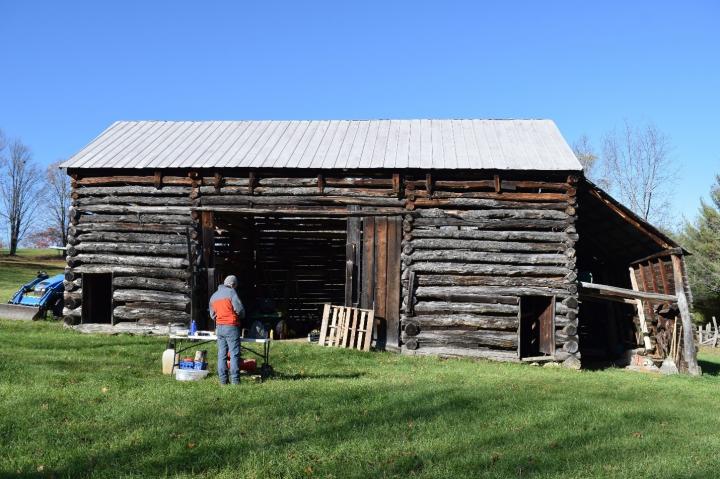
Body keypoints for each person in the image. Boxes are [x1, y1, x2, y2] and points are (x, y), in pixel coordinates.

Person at [209, 275, 245, 385]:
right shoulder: (232, 293)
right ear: (233, 284)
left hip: (219, 328)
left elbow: (212, 315)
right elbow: (239, 309)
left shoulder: (213, 296)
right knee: (234, 354)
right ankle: (235, 381)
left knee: (222, 354)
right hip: (231, 327)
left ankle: (223, 381)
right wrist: (242, 316)